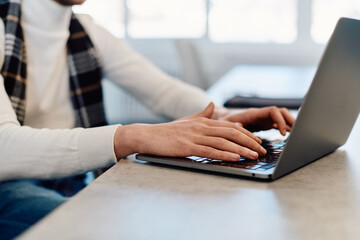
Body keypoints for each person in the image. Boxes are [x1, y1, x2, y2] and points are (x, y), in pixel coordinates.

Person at [0, 0, 295, 238]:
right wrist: (131, 137)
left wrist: (226, 116)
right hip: (9, 185)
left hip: (73, 178)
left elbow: (162, 91)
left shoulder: (84, 30)